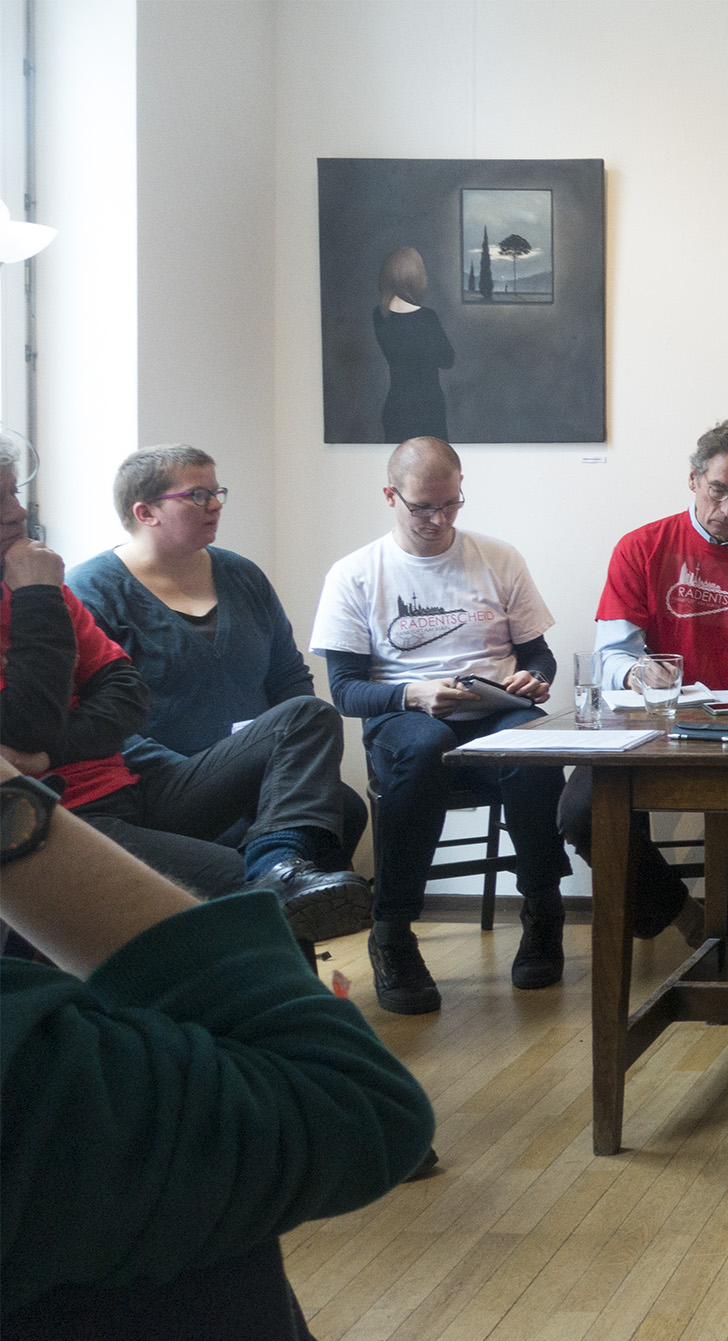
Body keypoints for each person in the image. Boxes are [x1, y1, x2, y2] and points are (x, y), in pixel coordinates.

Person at [0, 752, 435, 1341]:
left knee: (306, 728)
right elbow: (353, 1108)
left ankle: (281, 865)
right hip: (88, 800)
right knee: (246, 865)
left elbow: (97, 714)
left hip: (136, 773)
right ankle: (318, 907)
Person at [69, 444, 373, 945]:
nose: (215, 505)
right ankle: (274, 889)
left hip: (253, 768)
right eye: (197, 494)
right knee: (303, 738)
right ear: (145, 512)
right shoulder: (91, 591)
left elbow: (289, 681)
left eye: (217, 492)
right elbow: (99, 719)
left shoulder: (242, 575)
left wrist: (272, 775)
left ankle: (292, 961)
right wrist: (215, 776)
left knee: (343, 805)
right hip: (159, 779)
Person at [309, 436, 572, 1014]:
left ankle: (542, 912)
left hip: (494, 708)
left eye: (450, 504)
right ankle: (394, 932)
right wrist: (412, 692)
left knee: (535, 749)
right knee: (425, 748)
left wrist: (532, 679)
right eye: (422, 506)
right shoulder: (356, 574)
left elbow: (540, 655)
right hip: (406, 719)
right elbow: (347, 692)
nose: (437, 518)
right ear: (390, 496)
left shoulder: (498, 557)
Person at [560, 418, 728, 983]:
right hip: (654, 719)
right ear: (694, 479)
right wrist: (636, 674)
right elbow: (612, 657)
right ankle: (692, 922)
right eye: (718, 490)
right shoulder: (642, 547)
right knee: (580, 811)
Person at [1, 445, 246, 902]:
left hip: (123, 787)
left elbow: (127, 692)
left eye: (14, 493)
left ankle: (285, 862)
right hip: (56, 814)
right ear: (145, 512)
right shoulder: (45, 584)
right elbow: (29, 724)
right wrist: (36, 596)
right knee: (236, 875)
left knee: (306, 724)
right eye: (0, 499)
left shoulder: (38, 583)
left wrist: (45, 756)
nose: (17, 512)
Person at [373, 245, 455, 443]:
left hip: (396, 407)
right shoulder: (427, 318)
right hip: (427, 409)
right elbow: (447, 359)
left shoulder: (379, 315)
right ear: (415, 277)